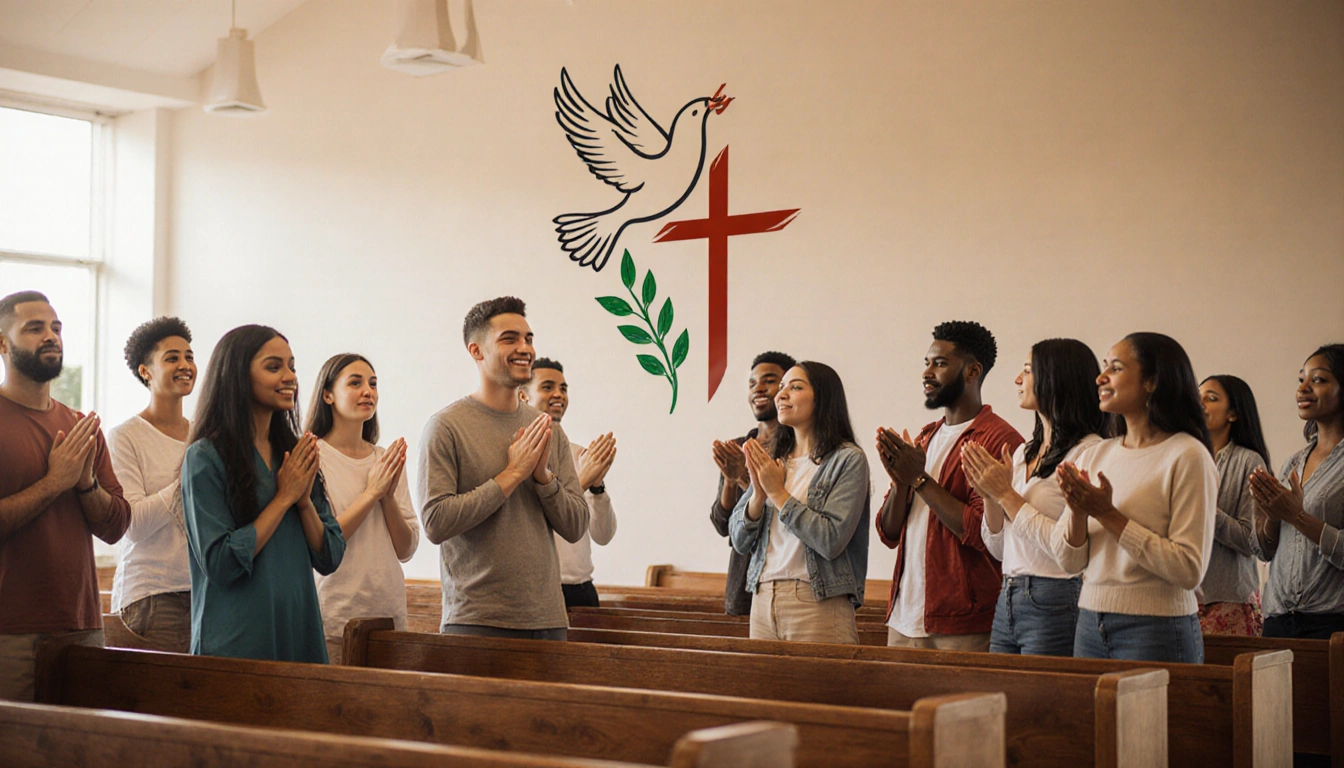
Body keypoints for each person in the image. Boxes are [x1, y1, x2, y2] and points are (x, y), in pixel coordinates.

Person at [418, 297, 588, 640]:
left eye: (528, 339)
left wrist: (543, 479)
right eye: (510, 339)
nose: (525, 348)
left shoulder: (548, 429)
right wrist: (511, 475)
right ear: (477, 351)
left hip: (548, 619)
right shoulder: (446, 426)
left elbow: (576, 526)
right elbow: (436, 523)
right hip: (476, 620)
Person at [1050, 332, 1217, 663]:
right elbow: (1068, 563)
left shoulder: (1187, 455)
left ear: (1152, 381)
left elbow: (1189, 570)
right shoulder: (1094, 455)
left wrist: (1107, 514)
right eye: (1104, 367)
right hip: (1089, 622)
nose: (1100, 378)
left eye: (1115, 368)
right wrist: (1079, 513)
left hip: (1156, 628)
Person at [182, 325, 345, 662]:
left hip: (298, 633)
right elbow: (221, 563)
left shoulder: (295, 452)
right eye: (274, 367)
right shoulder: (205, 457)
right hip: (238, 639)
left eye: (292, 366)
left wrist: (303, 502)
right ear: (237, 376)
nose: (290, 377)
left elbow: (330, 556)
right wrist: (283, 498)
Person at [0, 290, 130, 701]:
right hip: (9, 631)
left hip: (81, 625)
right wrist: (55, 482)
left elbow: (115, 527)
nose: (51, 336)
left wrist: (86, 485)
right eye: (34, 328)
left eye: (56, 328)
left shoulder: (79, 426)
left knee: (83, 739)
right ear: (2, 344)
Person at [877, 321, 1023, 651]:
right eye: (927, 363)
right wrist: (901, 483)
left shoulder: (999, 440)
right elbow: (888, 533)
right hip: (903, 618)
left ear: (973, 371)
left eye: (940, 363)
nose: (927, 373)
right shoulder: (925, 437)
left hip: (961, 624)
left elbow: (983, 534)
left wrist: (919, 479)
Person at [963, 338, 1105, 656]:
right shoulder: (1022, 453)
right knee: (1000, 687)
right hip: (1008, 594)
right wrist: (989, 495)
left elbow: (1068, 551)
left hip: (1056, 595)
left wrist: (1006, 494)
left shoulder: (1089, 452)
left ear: (1056, 378)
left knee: (1040, 689)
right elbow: (999, 549)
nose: (1018, 379)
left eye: (1027, 371)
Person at [729, 361, 870, 643]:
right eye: (782, 387)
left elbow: (830, 540)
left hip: (816, 599)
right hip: (762, 594)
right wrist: (758, 496)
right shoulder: (774, 460)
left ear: (822, 398)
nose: (781, 395)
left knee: (820, 676)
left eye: (795, 387)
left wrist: (777, 493)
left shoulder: (847, 459)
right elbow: (738, 540)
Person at [305, 353, 419, 664]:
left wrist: (387, 497)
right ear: (328, 395)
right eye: (355, 383)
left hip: (389, 613)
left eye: (373, 384)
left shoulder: (385, 459)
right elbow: (323, 544)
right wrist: (371, 493)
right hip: (334, 615)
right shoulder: (313, 456)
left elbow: (406, 549)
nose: (368, 391)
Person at [108, 317, 198, 652]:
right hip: (152, 597)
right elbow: (133, 525)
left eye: (189, 357)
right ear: (146, 371)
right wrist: (190, 478)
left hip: (206, 592)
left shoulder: (204, 435)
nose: (185, 365)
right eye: (172, 358)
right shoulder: (125, 436)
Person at [1251, 344, 1344, 639]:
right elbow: (1264, 551)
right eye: (1301, 380)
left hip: (1331, 624)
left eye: (1318, 379)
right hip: (1278, 619)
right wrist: (1272, 515)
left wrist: (1297, 517)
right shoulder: (1294, 462)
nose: (1302, 389)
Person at [521, 358, 617, 609]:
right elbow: (530, 522)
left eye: (563, 389)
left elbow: (603, 535)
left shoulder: (579, 456)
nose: (558, 395)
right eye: (547, 387)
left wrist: (597, 487)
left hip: (582, 589)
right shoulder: (515, 455)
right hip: (537, 589)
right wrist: (582, 481)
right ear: (523, 396)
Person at [711, 351, 795, 616]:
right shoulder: (739, 447)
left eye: (769, 381)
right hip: (742, 585)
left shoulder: (797, 447)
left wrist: (743, 479)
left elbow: (786, 514)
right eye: (752, 383)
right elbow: (722, 525)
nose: (758, 388)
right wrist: (729, 480)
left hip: (784, 579)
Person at [1196, 374, 1269, 636]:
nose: (1200, 403)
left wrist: (1206, 510)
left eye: (1211, 398)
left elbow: (1251, 541)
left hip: (1230, 600)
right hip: (1183, 598)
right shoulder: (1187, 456)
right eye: (1197, 396)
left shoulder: (1250, 461)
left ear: (1233, 414)